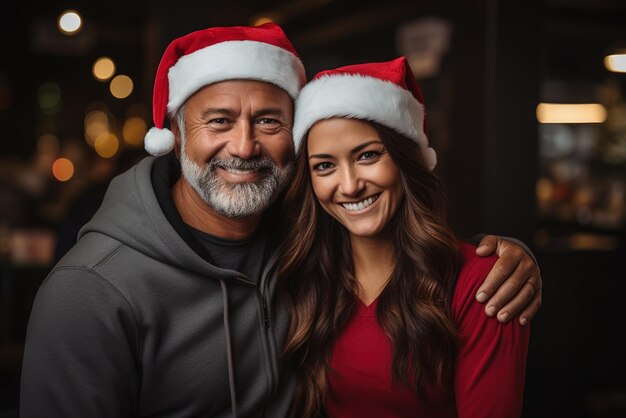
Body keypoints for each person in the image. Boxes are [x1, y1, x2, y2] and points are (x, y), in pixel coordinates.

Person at [20, 24, 539, 417]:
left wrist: (512, 255)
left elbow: (396, 241)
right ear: (175, 134)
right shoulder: (88, 292)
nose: (244, 146)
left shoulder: (301, 240)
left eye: (268, 121)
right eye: (219, 121)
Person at [280, 57, 530, 417]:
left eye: (367, 155)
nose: (349, 186)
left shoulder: (485, 283)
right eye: (324, 165)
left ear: (406, 160)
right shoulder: (305, 278)